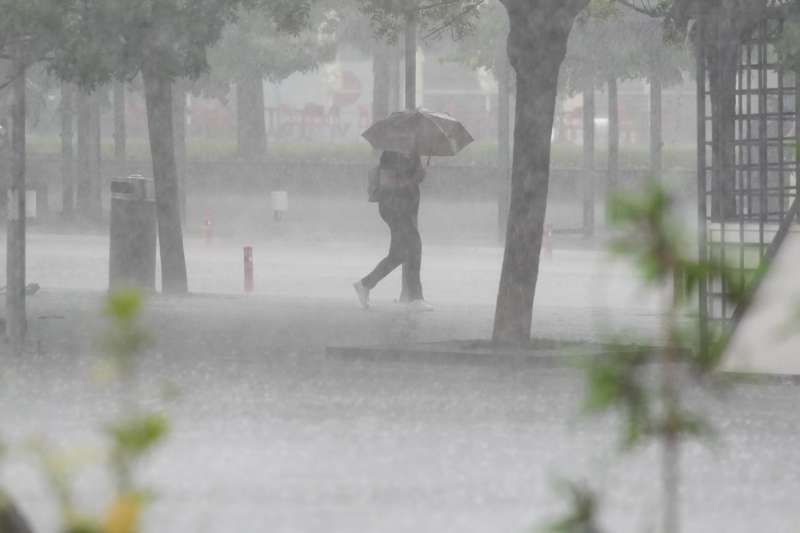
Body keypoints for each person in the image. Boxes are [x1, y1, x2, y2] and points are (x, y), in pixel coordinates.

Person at [354, 150, 433, 311]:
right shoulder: (391, 153)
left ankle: (365, 284)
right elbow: (389, 185)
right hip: (395, 208)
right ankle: (416, 297)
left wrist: (420, 174)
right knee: (413, 247)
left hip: (405, 208)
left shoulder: (412, 152)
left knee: (399, 254)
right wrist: (414, 179)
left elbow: (410, 179)